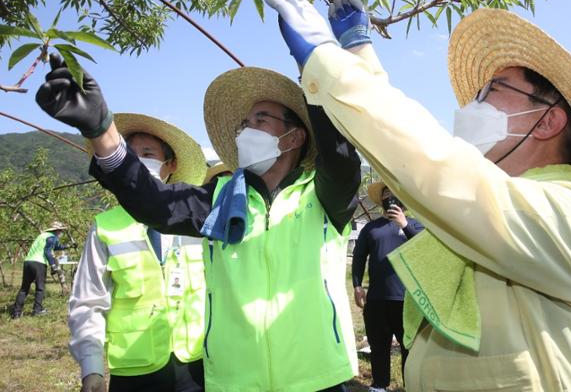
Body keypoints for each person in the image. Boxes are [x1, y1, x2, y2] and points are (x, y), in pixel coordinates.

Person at [265, 0, 571, 391]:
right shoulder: (481, 206)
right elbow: (423, 160)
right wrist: (357, 53)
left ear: (546, 122)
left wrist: (326, 61)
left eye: (493, 89)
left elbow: (432, 165)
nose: (473, 104)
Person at [35, 57, 361, 391]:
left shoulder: (322, 198)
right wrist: (102, 130)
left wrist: (314, 68)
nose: (246, 130)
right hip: (235, 382)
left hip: (316, 378)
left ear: (293, 138)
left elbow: (341, 160)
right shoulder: (222, 200)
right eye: (244, 123)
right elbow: (154, 203)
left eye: (259, 120)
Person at [68, 113, 207, 392]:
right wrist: (92, 368)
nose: (137, 160)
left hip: (195, 365)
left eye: (147, 153)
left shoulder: (195, 221)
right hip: (134, 370)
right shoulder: (106, 227)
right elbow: (88, 300)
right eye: (130, 153)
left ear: (170, 165)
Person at [352, 182, 424, 392]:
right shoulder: (371, 228)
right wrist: (357, 285)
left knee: (409, 347)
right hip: (376, 299)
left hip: (408, 299)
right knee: (378, 345)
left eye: (395, 193)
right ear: (381, 198)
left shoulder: (415, 225)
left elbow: (425, 248)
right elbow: (358, 257)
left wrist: (404, 224)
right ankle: (379, 385)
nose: (390, 196)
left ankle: (411, 385)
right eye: (386, 192)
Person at [11, 220, 70, 318]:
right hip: (39, 263)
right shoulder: (52, 237)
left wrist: (68, 246)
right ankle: (37, 310)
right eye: (61, 231)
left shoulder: (42, 236)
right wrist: (53, 266)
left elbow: (55, 247)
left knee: (24, 288)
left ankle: (16, 313)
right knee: (40, 288)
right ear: (57, 230)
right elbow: (47, 252)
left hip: (28, 262)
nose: (62, 233)